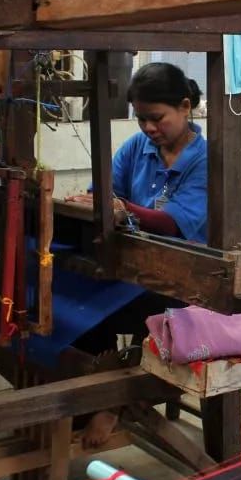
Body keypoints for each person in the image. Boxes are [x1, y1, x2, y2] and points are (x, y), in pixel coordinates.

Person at [66, 62, 208, 447]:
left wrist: (122, 208)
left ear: (184, 106)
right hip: (137, 272)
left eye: (157, 118)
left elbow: (173, 224)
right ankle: (99, 395)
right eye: (141, 119)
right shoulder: (137, 149)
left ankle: (110, 401)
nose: (148, 128)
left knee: (97, 307)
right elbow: (103, 195)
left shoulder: (206, 159)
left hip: (186, 284)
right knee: (76, 293)